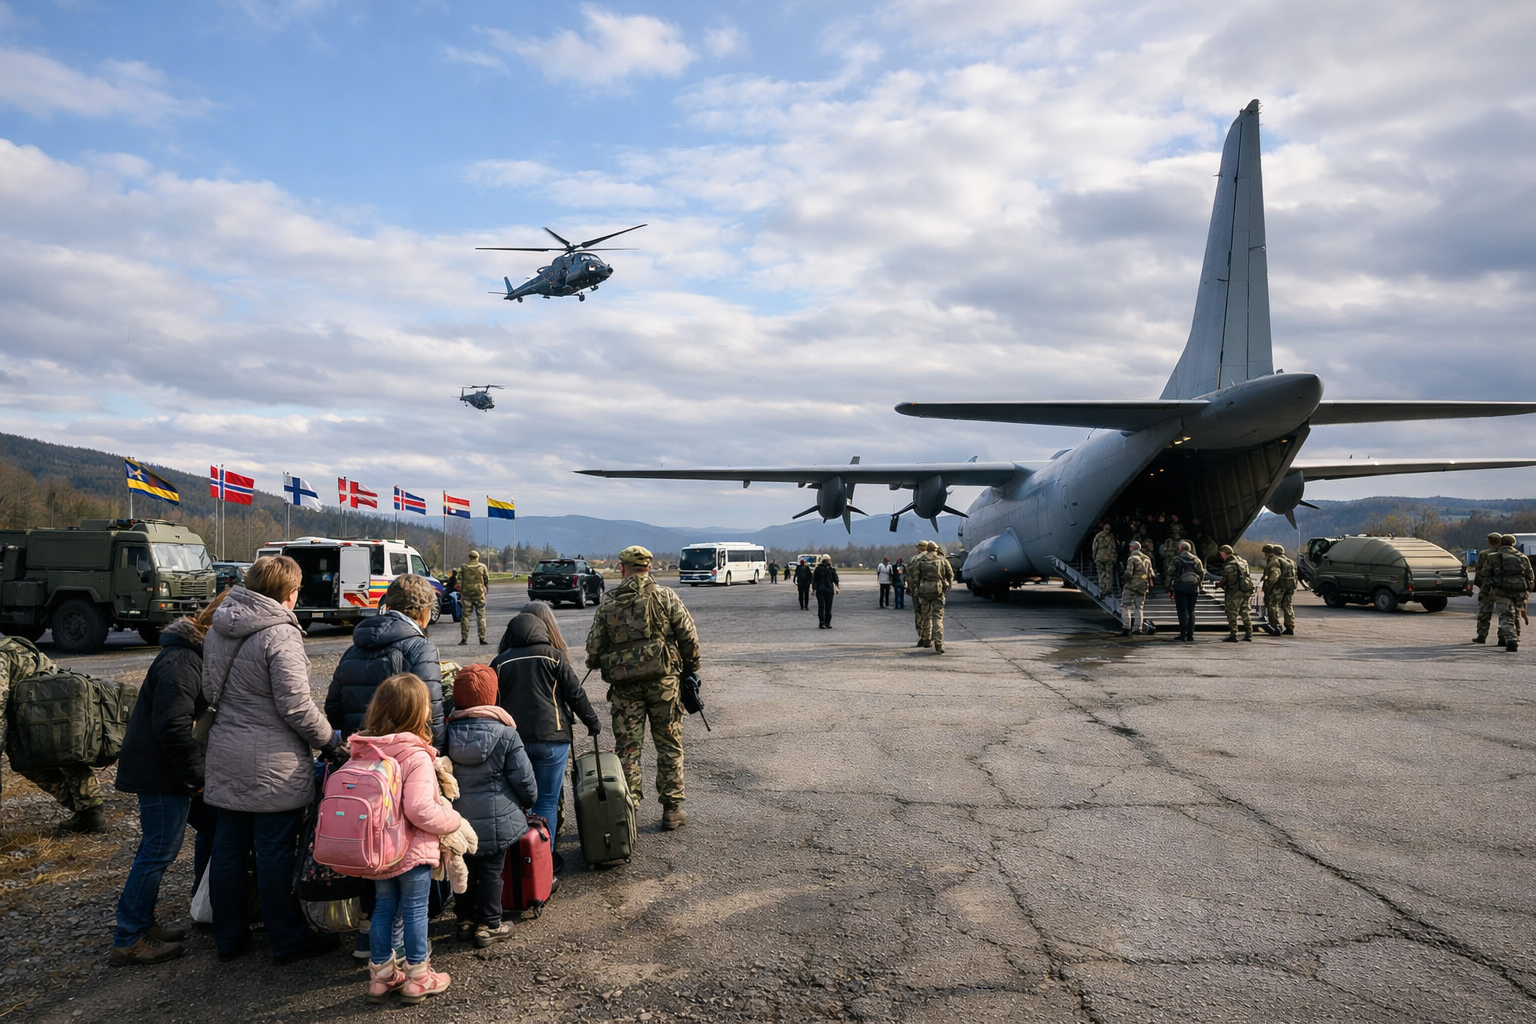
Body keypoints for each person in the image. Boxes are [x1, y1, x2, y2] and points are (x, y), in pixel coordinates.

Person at [202, 555, 339, 965]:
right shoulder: (280, 634)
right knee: (275, 853)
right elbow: (296, 707)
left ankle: (229, 937)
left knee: (228, 850)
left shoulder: (219, 625)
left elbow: (210, 689)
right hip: (272, 763)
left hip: (225, 754)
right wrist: (331, 741)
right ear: (289, 592)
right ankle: (287, 938)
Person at [324, 573, 447, 960]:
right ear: (421, 611)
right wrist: (434, 757)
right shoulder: (418, 648)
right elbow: (434, 714)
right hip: (405, 764)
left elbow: (331, 708)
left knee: (367, 843)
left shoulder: (354, 646)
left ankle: (368, 939)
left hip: (361, 766)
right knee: (401, 851)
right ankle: (402, 950)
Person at [109, 589, 230, 966]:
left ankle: (199, 905)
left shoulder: (193, 654)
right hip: (162, 774)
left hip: (172, 770)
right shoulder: (182, 660)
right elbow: (173, 727)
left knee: (212, 827)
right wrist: (196, 778)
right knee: (157, 852)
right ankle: (129, 936)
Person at [351, 674, 463, 1005]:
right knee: (415, 909)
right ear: (417, 713)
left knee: (384, 907)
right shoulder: (415, 755)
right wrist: (452, 820)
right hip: (411, 850)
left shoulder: (365, 749)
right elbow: (419, 810)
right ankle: (418, 976)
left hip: (378, 850)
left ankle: (381, 977)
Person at [585, 545, 701, 831]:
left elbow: (593, 652)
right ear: (649, 567)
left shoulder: (610, 602)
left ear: (622, 568)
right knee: (669, 744)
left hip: (626, 690)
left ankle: (628, 811)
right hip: (664, 686)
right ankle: (672, 809)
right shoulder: (666, 597)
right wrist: (689, 670)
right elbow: (689, 638)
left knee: (628, 750)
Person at [492, 602, 602, 844]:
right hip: (553, 739)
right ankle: (545, 860)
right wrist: (592, 722)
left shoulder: (499, 662)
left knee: (520, 799)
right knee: (548, 801)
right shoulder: (554, 656)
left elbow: (492, 702)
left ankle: (520, 859)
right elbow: (575, 694)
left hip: (514, 741)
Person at [445, 664, 538, 949]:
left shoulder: (445, 733)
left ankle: (463, 920)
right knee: (490, 872)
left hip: (458, 820)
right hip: (497, 820)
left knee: (462, 868)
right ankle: (489, 924)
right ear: (492, 695)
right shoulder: (507, 734)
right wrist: (528, 801)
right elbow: (524, 780)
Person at [0, 637, 105, 833]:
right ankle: (89, 811)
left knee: (49, 753)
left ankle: (90, 812)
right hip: (37, 701)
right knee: (48, 755)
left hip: (42, 702)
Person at [909, 540, 954, 653]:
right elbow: (950, 573)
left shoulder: (921, 561)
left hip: (924, 591)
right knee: (938, 617)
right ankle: (939, 644)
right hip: (938, 590)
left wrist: (915, 588)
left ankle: (927, 640)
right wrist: (949, 584)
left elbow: (915, 577)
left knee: (926, 616)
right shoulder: (942, 560)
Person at [1491, 534, 1533, 652]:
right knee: (1515, 614)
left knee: (1505, 615)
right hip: (1520, 590)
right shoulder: (1523, 557)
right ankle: (1509, 636)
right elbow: (1530, 576)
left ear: (1500, 543)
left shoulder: (1495, 557)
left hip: (1502, 589)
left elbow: (1485, 573)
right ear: (1513, 543)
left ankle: (1511, 640)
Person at [1166, 541, 1205, 642]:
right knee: (1191, 611)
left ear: (1181, 548)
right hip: (1193, 588)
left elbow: (1170, 574)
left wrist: (1169, 587)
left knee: (1182, 611)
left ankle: (1183, 634)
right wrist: (1199, 585)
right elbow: (1201, 574)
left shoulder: (1176, 560)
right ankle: (1190, 635)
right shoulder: (1196, 560)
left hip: (1180, 588)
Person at [1215, 544, 1254, 642]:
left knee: (1232, 613)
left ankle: (1234, 635)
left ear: (1224, 553)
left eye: (1221, 554)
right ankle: (1249, 633)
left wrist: (1218, 585)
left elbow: (1225, 580)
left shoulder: (1229, 565)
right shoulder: (1243, 562)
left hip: (1234, 591)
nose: (1221, 556)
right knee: (1245, 612)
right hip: (1245, 590)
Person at [1472, 531, 1505, 643]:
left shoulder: (1484, 554)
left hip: (1487, 586)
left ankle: (1482, 635)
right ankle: (1503, 637)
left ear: (1490, 542)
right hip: (1502, 587)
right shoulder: (1506, 554)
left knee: (1484, 612)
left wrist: (1482, 584)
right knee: (1504, 613)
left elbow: (1479, 570)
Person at [1261, 545, 1299, 636]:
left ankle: (1275, 626)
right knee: (1287, 606)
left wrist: (1268, 586)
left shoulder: (1275, 561)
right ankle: (1290, 627)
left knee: (1273, 605)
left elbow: (1274, 575)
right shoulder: (1291, 562)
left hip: (1279, 587)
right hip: (1290, 587)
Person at [456, 550, 492, 646]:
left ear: (469, 557)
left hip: (466, 595)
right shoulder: (482, 567)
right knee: (481, 616)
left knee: (466, 617)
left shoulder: (463, 567)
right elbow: (486, 580)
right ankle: (482, 638)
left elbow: (458, 579)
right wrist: (486, 589)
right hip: (479, 594)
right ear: (477, 557)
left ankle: (464, 639)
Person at [1120, 541, 1154, 637]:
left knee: (1125, 606)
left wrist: (1123, 580)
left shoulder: (1132, 559)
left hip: (1131, 586)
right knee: (1139, 607)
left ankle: (1126, 628)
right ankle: (1137, 628)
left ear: (1132, 548)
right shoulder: (1147, 559)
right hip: (1143, 586)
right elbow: (1150, 573)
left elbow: (1128, 574)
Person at [813, 555, 840, 628]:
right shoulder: (831, 569)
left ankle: (821, 622)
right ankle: (827, 623)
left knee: (821, 606)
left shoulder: (817, 569)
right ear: (829, 560)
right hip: (829, 589)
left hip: (820, 589)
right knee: (828, 607)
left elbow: (815, 579)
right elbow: (836, 579)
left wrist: (814, 589)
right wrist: (837, 587)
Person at [1091, 522, 1118, 595]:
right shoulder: (1111, 537)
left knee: (1101, 574)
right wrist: (1114, 558)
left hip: (1100, 557)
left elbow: (1094, 547)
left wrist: (1094, 557)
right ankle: (1108, 589)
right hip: (1109, 558)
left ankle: (1102, 589)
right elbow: (1114, 548)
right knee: (1109, 574)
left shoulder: (1098, 536)